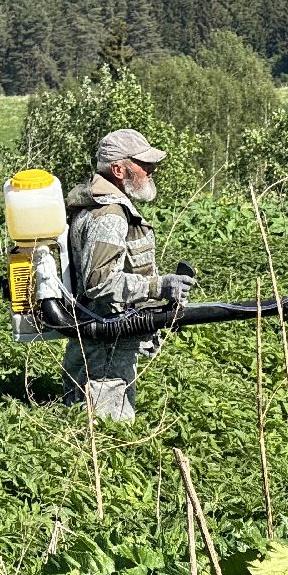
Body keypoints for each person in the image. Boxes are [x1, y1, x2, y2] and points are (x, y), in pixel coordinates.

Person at [61, 128, 196, 421]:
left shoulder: (102, 204)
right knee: (107, 432)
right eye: (143, 164)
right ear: (119, 169)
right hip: (105, 344)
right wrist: (159, 285)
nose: (152, 170)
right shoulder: (109, 214)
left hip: (101, 338)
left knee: (82, 424)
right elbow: (99, 282)